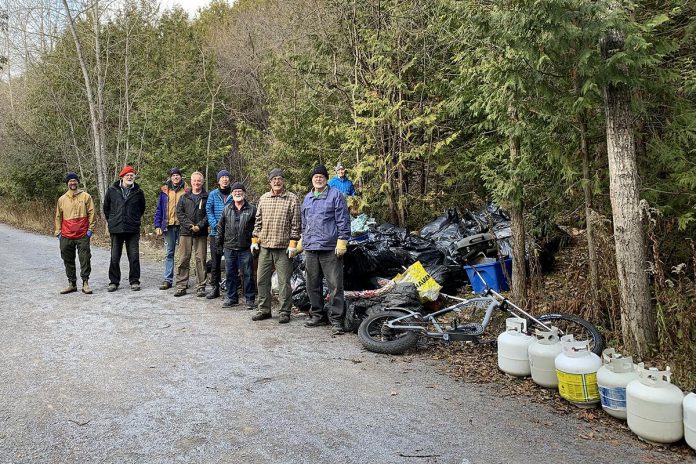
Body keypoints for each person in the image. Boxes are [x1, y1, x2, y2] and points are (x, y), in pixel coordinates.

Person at [301, 164, 351, 335]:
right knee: (312, 284)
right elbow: (304, 222)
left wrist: (342, 241)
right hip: (311, 248)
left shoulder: (335, 195)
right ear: (312, 179)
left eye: (321, 176)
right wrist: (302, 240)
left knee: (335, 285)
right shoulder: (307, 198)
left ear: (326, 178)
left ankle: (336, 319)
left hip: (330, 248)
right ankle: (317, 315)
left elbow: (343, 220)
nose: (318, 178)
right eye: (315, 176)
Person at [251, 168, 301, 323]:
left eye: (279, 179)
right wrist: (254, 240)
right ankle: (264, 310)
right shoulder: (264, 198)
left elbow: (296, 224)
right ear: (270, 182)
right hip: (265, 247)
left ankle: (285, 311)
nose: (277, 182)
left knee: (284, 282)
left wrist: (293, 243)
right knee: (261, 280)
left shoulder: (292, 199)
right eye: (274, 179)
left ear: (283, 181)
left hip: (283, 248)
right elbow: (258, 221)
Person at [103, 166, 146, 292]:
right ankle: (114, 282)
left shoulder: (139, 192)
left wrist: (135, 219)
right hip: (116, 228)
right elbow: (106, 208)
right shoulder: (112, 190)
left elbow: (141, 208)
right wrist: (112, 220)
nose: (130, 177)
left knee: (134, 256)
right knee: (115, 256)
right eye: (127, 175)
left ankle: (134, 281)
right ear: (122, 177)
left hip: (132, 229)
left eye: (132, 175)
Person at [216, 182, 257, 309]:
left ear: (244, 193)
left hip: (245, 247)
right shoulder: (226, 209)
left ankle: (250, 299)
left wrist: (255, 243)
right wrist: (219, 244)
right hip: (229, 247)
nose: (238, 193)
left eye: (240, 191)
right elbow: (220, 227)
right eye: (235, 191)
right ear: (232, 194)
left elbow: (257, 227)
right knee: (230, 274)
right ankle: (232, 298)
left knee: (248, 274)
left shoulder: (252, 209)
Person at [54, 172, 96, 294]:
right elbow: (58, 216)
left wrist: (90, 230)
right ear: (67, 183)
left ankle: (85, 283)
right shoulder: (62, 199)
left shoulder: (86, 197)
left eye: (75, 181)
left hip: (82, 234)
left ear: (78, 182)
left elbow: (92, 213)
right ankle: (72, 283)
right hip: (66, 235)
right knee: (67, 259)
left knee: (85, 258)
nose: (73, 183)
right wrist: (58, 232)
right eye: (70, 181)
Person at [174, 171, 209, 297]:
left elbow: (208, 214)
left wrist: (200, 225)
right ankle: (181, 285)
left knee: (201, 259)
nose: (196, 183)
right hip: (185, 232)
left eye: (199, 181)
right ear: (191, 182)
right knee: (183, 258)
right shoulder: (184, 197)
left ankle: (201, 286)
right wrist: (190, 225)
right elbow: (180, 213)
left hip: (201, 232)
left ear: (202, 182)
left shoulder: (207, 197)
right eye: (194, 181)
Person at [154, 168, 189, 290]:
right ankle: (167, 279)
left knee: (184, 254)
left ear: (181, 177)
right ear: (170, 177)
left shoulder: (186, 190)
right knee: (169, 253)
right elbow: (159, 209)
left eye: (177, 175)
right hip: (168, 226)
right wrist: (157, 225)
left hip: (183, 226)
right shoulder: (164, 191)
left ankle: (182, 279)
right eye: (173, 175)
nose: (176, 177)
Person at [205, 170, 233, 298]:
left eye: (226, 177)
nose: (225, 179)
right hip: (215, 233)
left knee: (229, 262)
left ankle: (229, 289)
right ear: (218, 180)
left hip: (230, 234)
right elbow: (208, 210)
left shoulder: (235, 194)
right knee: (215, 263)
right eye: (222, 177)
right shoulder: (213, 194)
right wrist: (215, 224)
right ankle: (214, 288)